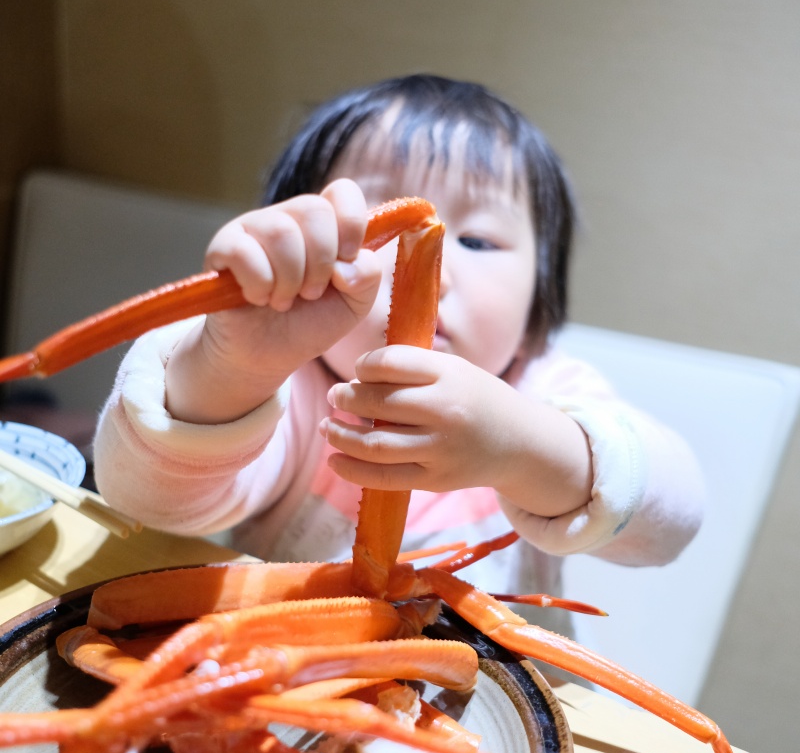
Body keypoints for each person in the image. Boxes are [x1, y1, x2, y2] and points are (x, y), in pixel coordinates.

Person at [94, 74, 705, 623]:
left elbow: (670, 525)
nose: (429, 267)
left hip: (510, 725)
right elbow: (149, 501)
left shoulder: (550, 394)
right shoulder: (296, 394)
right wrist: (233, 365)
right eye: (377, 230)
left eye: (478, 241)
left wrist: (521, 447)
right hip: (293, 702)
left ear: (539, 297)